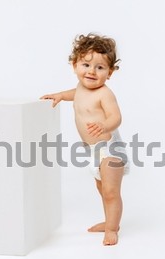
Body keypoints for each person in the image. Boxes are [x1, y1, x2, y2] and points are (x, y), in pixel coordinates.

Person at [41, 33, 128, 246]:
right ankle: (110, 220)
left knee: (110, 190)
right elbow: (75, 94)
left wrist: (104, 125)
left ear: (110, 73)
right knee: (101, 188)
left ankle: (112, 229)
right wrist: (60, 95)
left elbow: (116, 117)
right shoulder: (81, 88)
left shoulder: (104, 94)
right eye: (86, 64)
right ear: (74, 65)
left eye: (100, 67)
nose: (91, 71)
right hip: (93, 150)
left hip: (110, 148)